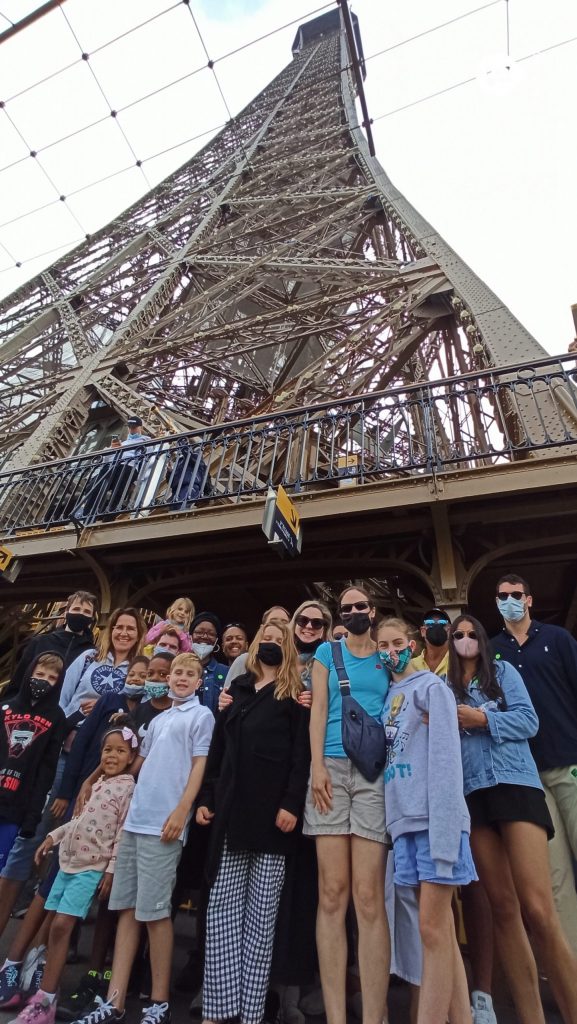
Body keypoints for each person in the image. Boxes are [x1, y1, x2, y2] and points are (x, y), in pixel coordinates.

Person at [70, 652, 214, 1024]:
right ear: (169, 680)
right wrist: (96, 776)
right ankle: (114, 1000)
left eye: (189, 673)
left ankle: (159, 1000)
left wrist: (183, 809)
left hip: (163, 823)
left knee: (155, 913)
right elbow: (139, 764)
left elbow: (200, 764)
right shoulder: (159, 719)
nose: (182, 677)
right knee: (127, 911)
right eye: (177, 672)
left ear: (200, 682)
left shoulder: (201, 716)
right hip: (136, 819)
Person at [450, 613, 577, 1024]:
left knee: (538, 909)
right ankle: (531, 1016)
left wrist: (482, 718)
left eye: (472, 633)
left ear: (483, 640)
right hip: (473, 792)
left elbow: (529, 720)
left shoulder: (502, 672)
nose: (465, 639)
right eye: (458, 634)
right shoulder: (442, 688)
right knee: (503, 908)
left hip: (516, 783)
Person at [197, 619, 310, 1024]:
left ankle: (250, 1011)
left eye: (280, 640)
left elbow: (302, 755)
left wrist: (292, 803)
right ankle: (219, 1007)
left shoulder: (296, 696)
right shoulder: (237, 691)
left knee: (262, 918)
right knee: (222, 908)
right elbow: (218, 750)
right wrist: (208, 795)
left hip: (273, 813)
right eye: (267, 638)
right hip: (232, 808)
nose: (272, 644)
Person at [5, 725, 138, 1024]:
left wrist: (111, 871)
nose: (112, 755)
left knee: (63, 925)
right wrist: (52, 837)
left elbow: (121, 834)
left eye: (120, 751)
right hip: (67, 863)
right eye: (107, 749)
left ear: (131, 757)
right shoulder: (97, 783)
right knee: (55, 927)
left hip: (91, 868)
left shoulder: (127, 787)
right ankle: (45, 996)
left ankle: (46, 999)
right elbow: (78, 822)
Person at [378, 616, 474, 1024]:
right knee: (442, 935)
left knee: (433, 930)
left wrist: (447, 828)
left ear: (412, 644)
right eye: (382, 645)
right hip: (404, 823)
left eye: (396, 642)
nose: (390, 651)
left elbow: (448, 758)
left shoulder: (432, 688)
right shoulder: (388, 696)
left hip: (434, 819)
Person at [304, 585, 390, 1024]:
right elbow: (318, 709)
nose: (355, 612)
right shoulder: (326, 653)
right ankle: (337, 1016)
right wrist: (316, 765)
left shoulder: (387, 655)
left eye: (361, 606)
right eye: (347, 607)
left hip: (374, 771)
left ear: (372, 612)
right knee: (332, 893)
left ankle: (375, 1016)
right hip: (332, 770)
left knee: (369, 896)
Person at [491, 573, 577, 953]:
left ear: (529, 599)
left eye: (515, 594)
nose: (508, 600)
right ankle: (570, 963)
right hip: (528, 776)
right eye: (502, 596)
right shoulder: (492, 651)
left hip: (569, 761)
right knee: (554, 877)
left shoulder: (558, 639)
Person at [0, 653, 66, 876]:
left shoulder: (56, 717)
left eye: (51, 677)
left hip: (16, 807)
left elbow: (46, 771)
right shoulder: (5, 707)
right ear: (29, 673)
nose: (43, 680)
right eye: (39, 674)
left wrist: (32, 817)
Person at [59, 608, 147, 724]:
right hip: (70, 727)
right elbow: (63, 694)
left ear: (138, 636)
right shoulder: (89, 657)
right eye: (119, 627)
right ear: (111, 631)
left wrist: (104, 705)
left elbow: (140, 707)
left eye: (130, 629)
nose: (123, 633)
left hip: (106, 734)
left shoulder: (140, 670)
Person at [7, 592, 98, 698]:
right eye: (76, 609)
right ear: (66, 613)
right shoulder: (40, 641)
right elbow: (19, 678)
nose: (80, 614)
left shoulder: (92, 653)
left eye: (87, 611)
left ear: (91, 618)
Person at [224, 607, 291, 687]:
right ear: (262, 628)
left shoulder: (294, 665)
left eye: (284, 622)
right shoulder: (244, 660)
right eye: (273, 621)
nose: (278, 625)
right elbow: (228, 694)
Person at [189, 613, 228, 717]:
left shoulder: (226, 671)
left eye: (211, 634)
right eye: (199, 632)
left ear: (216, 640)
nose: (204, 636)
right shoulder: (178, 667)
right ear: (191, 636)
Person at [411, 607, 450, 675]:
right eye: (429, 623)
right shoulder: (412, 665)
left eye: (442, 623)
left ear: (449, 630)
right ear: (423, 631)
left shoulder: (459, 662)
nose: (436, 626)